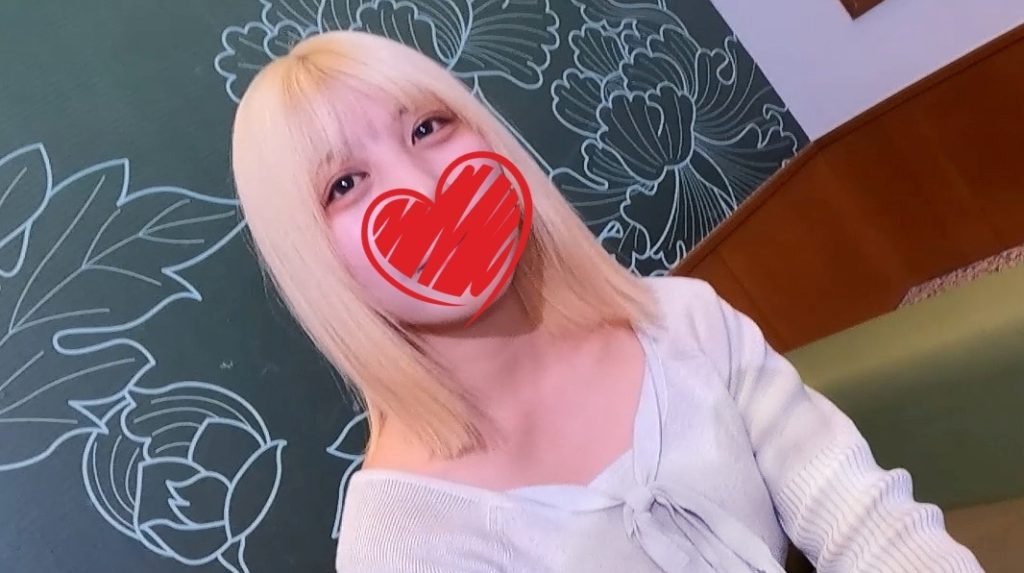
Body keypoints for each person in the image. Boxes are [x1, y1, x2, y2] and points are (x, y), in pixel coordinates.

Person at [229, 30, 983, 572]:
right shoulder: (402, 544)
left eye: (428, 127)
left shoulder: (683, 319)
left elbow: (862, 517)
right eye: (344, 184)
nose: (424, 187)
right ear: (313, 261)